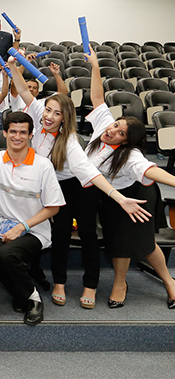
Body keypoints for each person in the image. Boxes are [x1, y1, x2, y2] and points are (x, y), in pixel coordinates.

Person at [7, 54, 149, 310]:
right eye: (48, 109)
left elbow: (91, 174)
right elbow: (22, 91)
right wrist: (13, 67)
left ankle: (90, 285)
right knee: (60, 233)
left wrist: (120, 198)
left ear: (64, 119)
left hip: (81, 188)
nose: (49, 116)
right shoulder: (39, 114)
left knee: (87, 235)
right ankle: (59, 282)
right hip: (54, 188)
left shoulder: (70, 143)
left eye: (56, 113)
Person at [85, 50, 175, 309]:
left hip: (137, 194)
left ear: (127, 141)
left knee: (142, 243)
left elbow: (152, 171)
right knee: (124, 241)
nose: (112, 131)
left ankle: (139, 283)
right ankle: (162, 281)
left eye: (120, 132)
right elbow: (97, 96)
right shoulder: (105, 127)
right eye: (116, 125)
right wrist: (94, 66)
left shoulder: (131, 156)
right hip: (113, 196)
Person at [0, 108, 65, 326]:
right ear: (4, 133)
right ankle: (21, 293)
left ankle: (33, 299)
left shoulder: (43, 165)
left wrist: (22, 226)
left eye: (23, 132)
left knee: (6, 256)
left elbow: (53, 207)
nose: (17, 137)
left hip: (34, 229)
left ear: (30, 135)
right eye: (13, 131)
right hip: (4, 225)